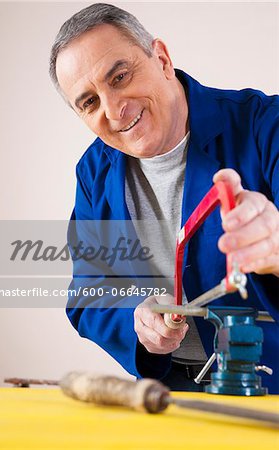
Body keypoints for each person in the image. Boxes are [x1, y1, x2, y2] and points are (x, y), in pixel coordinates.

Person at [49, 3, 279, 393]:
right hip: (170, 395)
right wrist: (134, 319)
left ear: (161, 59)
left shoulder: (265, 125)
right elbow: (89, 292)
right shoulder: (93, 172)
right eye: (89, 102)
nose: (114, 109)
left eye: (120, 76)